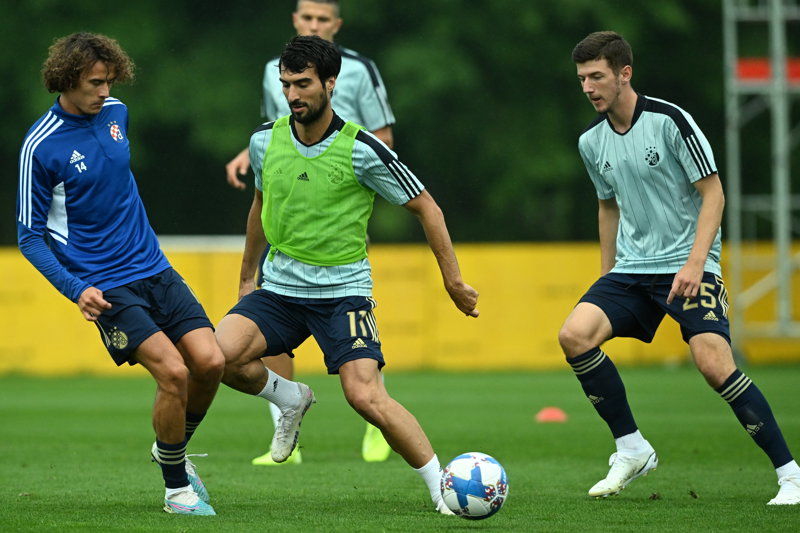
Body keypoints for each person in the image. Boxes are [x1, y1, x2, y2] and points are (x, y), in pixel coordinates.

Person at [215, 35, 478, 515]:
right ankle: (290, 398)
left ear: (330, 83)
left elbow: (428, 207)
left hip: (343, 295)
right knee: (217, 358)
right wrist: (246, 277)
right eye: (286, 84)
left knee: (364, 396)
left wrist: (453, 281)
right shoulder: (264, 140)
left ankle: (442, 488)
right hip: (279, 291)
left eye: (303, 84)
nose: (292, 94)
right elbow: (259, 207)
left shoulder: (362, 148)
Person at [559, 30, 800, 506]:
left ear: (624, 74)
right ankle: (632, 448)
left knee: (713, 364)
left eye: (597, 77)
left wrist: (695, 263)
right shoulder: (591, 141)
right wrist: (607, 274)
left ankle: (791, 475)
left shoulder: (670, 121)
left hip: (690, 264)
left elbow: (714, 193)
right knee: (574, 335)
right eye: (582, 78)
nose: (588, 87)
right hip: (632, 269)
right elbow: (607, 206)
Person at [15, 32, 229, 516]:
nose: (105, 91)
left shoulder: (117, 113)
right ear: (67, 79)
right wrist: (76, 290)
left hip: (154, 267)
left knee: (210, 362)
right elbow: (29, 237)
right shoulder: (40, 146)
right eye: (95, 82)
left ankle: (169, 447)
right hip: (105, 283)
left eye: (110, 80)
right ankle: (177, 491)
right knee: (173, 372)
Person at [225, 0, 396, 466]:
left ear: (336, 25)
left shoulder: (361, 70)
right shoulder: (274, 73)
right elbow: (281, 130)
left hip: (340, 205)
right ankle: (286, 427)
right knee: (271, 323)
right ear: (295, 21)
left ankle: (376, 420)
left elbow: (383, 136)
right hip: (291, 209)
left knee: (352, 323)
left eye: (323, 19)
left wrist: (349, 182)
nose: (314, 24)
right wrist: (247, 154)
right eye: (307, 18)